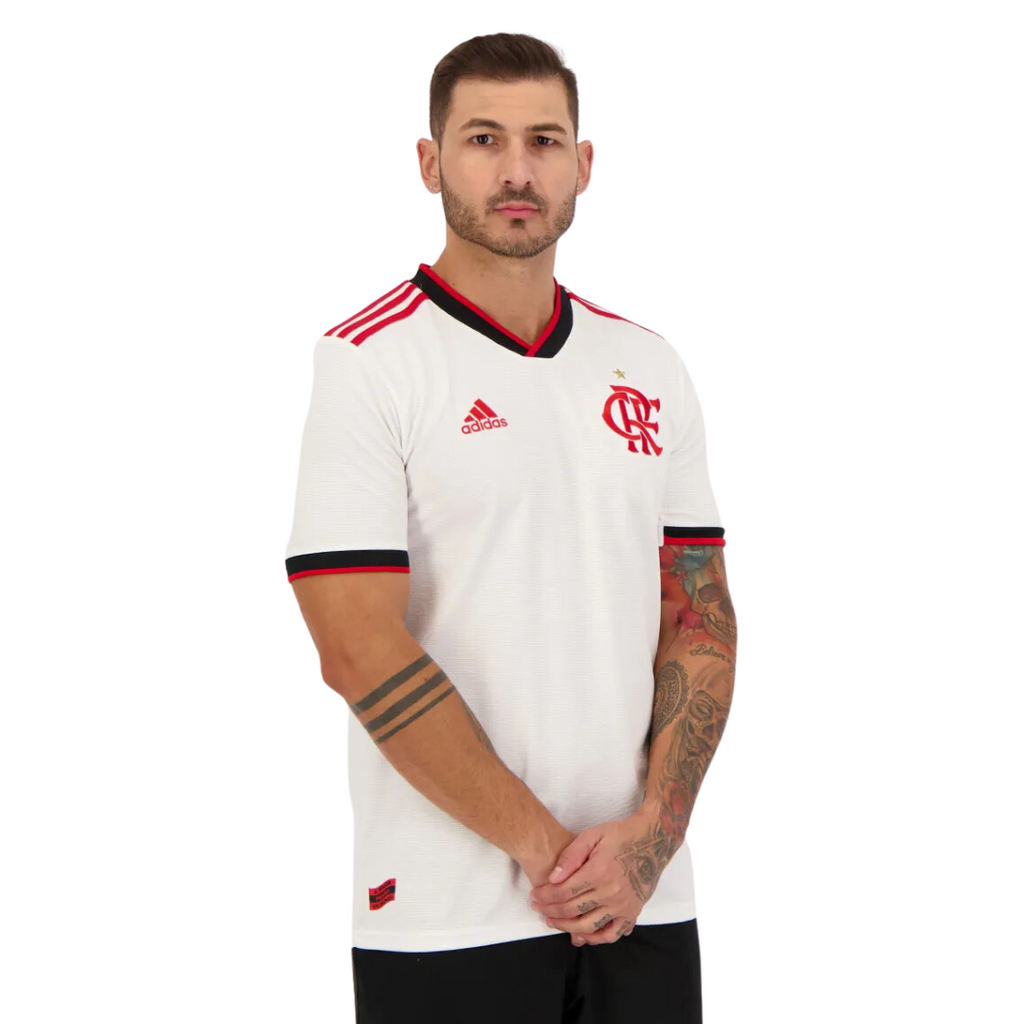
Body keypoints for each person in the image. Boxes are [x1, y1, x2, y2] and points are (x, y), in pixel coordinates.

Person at [284, 30, 737, 1024]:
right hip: (445, 915)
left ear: (584, 165)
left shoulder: (649, 365)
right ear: (429, 161)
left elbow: (698, 618)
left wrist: (652, 840)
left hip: (645, 904)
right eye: (483, 139)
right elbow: (355, 647)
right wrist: (551, 856)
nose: (517, 171)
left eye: (544, 140)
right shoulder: (369, 363)